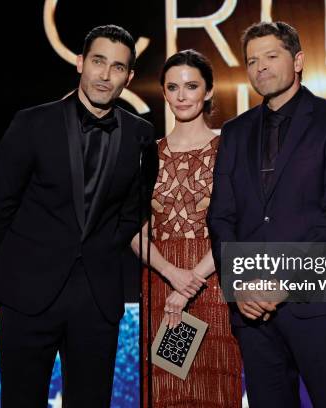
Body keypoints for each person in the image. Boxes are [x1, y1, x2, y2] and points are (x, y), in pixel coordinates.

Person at [0, 25, 155, 407]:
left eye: (117, 67)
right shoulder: (31, 123)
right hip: (28, 296)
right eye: (98, 62)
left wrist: (101, 250)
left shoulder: (140, 135)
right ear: (80, 63)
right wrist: (24, 261)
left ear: (128, 77)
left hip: (96, 300)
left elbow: (135, 209)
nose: (105, 75)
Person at [207, 21, 326, 407]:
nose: (259, 67)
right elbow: (222, 215)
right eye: (251, 60)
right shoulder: (234, 132)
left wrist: (283, 285)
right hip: (252, 312)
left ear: (297, 61)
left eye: (271, 56)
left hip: (318, 302)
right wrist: (240, 283)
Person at [132, 49, 242, 408]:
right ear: (164, 92)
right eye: (173, 87)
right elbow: (132, 228)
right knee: (168, 390)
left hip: (215, 282)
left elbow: (239, 224)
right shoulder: (149, 153)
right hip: (162, 284)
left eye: (191, 86)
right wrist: (170, 273)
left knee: (215, 388)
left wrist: (191, 278)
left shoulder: (228, 148)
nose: (182, 96)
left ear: (208, 91)